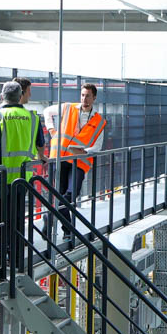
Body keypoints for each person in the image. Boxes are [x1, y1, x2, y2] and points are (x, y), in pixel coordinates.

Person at [0, 80, 44, 271]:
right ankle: (17, 259)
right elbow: (40, 144)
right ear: (20, 96)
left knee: (0, 219)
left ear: (2, 97)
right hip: (22, 178)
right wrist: (42, 157)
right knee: (17, 219)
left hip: (0, 177)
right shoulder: (32, 117)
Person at [46, 83, 108, 236]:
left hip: (79, 162)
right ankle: (68, 230)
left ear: (94, 98)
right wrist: (52, 130)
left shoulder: (99, 121)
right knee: (60, 195)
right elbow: (47, 111)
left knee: (70, 194)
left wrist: (84, 151)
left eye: (87, 96)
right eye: (82, 95)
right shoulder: (68, 108)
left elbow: (97, 146)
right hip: (60, 158)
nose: (84, 99)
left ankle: (49, 218)